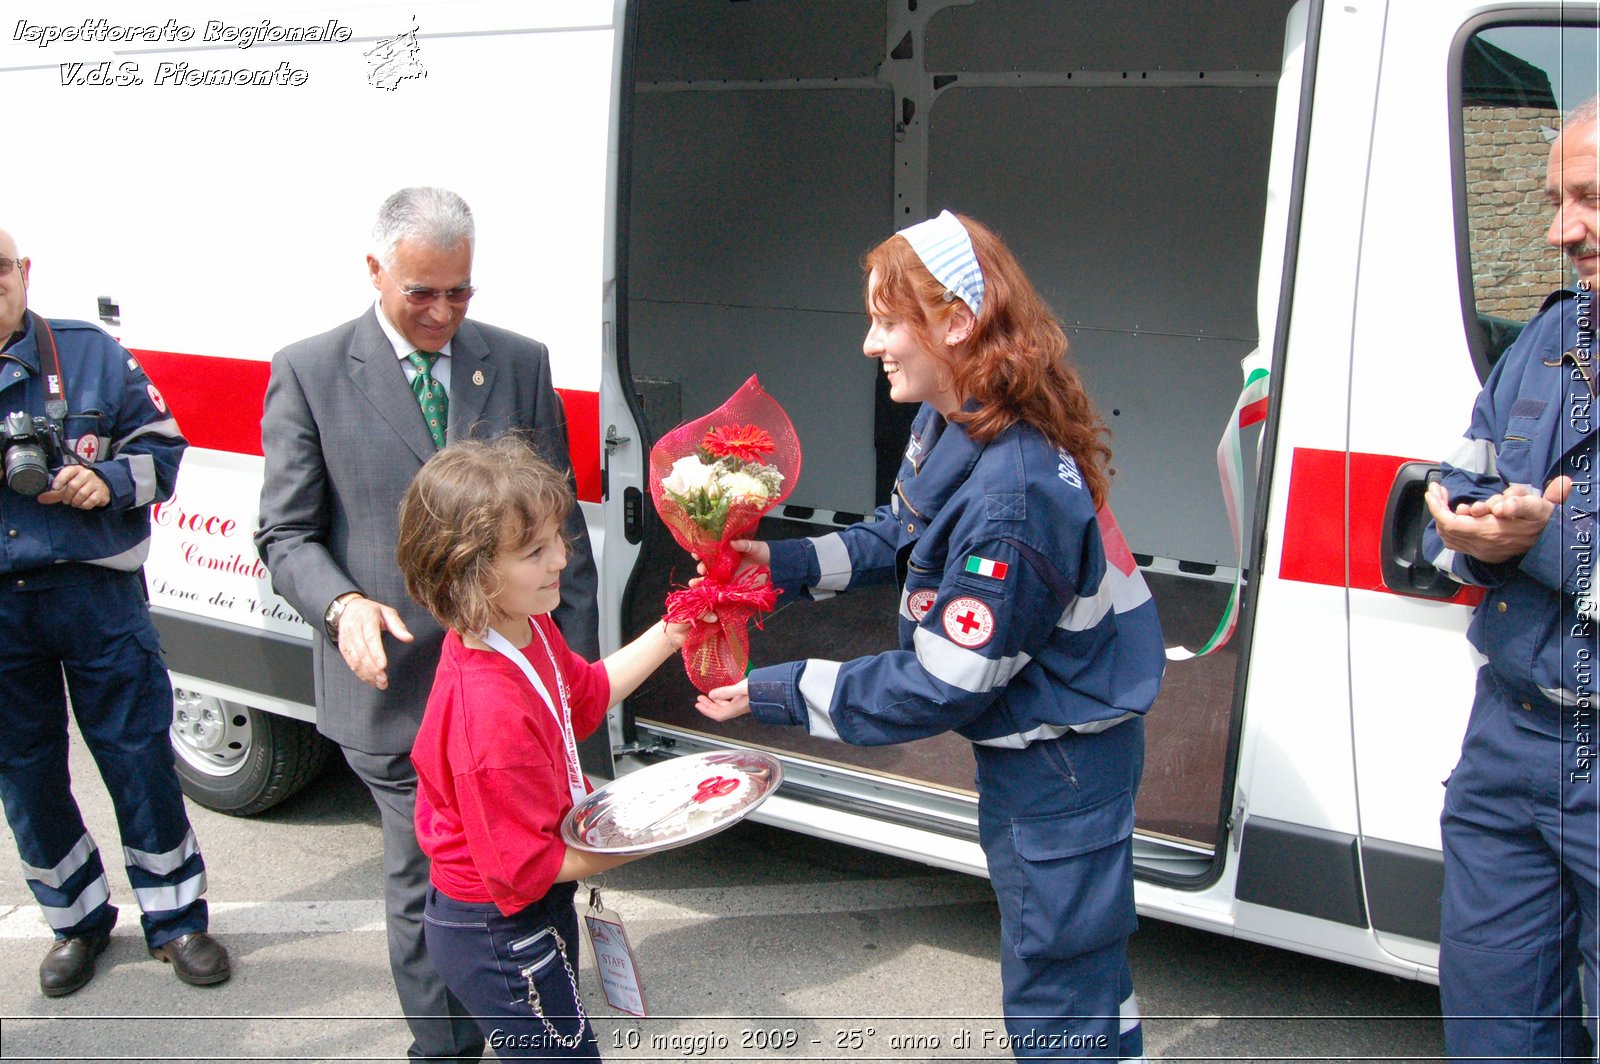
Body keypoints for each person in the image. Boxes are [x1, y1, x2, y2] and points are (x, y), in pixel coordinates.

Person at [695, 211, 1166, 1060]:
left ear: (955, 323)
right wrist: (777, 562)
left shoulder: (1011, 497)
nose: (871, 344)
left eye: (886, 320)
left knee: (1059, 985)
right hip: (1046, 749)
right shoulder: (962, 415)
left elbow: (944, 681)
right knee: (1077, 970)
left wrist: (777, 690)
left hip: (1061, 764)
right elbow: (894, 535)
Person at [256, 187, 599, 1062]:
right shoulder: (310, 369)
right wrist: (340, 606)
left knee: (531, 874)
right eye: (422, 293)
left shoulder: (518, 362)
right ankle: (444, 1049)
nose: (443, 312)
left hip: (518, 687)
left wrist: (575, 684)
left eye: (461, 293)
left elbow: (560, 532)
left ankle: (528, 1015)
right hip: (397, 691)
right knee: (429, 882)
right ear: (375, 271)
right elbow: (286, 533)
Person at [398, 436, 691, 1060]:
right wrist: (668, 823)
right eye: (534, 551)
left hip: (526, 903)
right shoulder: (489, 715)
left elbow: (582, 695)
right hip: (497, 928)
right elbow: (527, 867)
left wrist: (673, 632)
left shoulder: (520, 624)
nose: (561, 558)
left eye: (559, 537)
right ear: (470, 571)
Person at [0, 226, 230, 996]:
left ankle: (178, 920)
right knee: (25, 776)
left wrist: (113, 483)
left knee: (137, 758)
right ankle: (76, 921)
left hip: (96, 592)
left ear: (24, 271)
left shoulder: (89, 352)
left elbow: (165, 445)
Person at [1424, 96, 1599, 1061]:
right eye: (1554, 199)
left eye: (1589, 201)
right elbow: (1467, 468)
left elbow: (1541, 531)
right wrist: (1469, 521)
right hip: (1512, 736)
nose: (1559, 230)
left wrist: (1539, 539)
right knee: (1497, 1035)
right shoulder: (1553, 335)